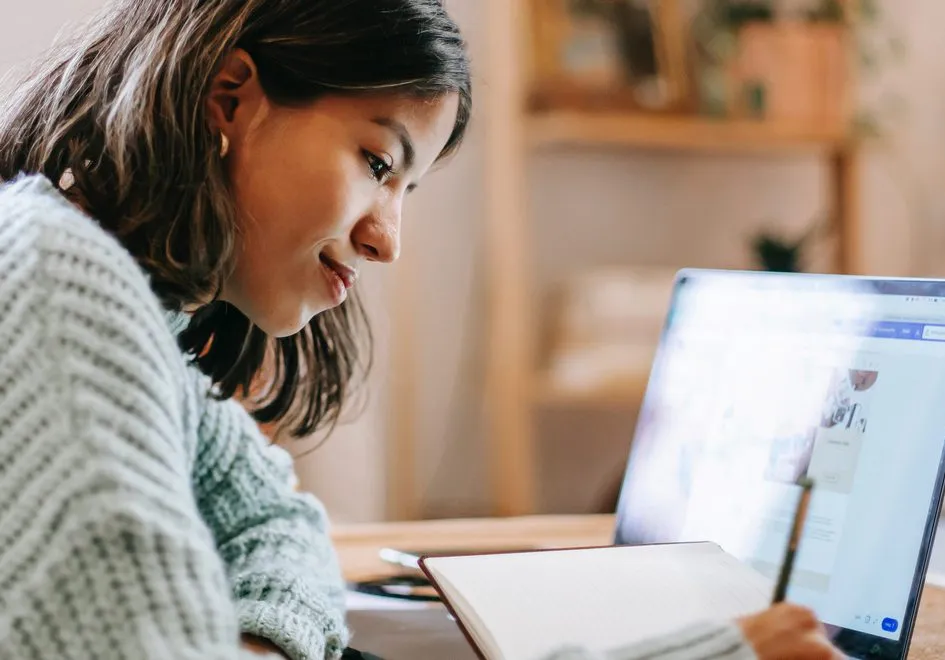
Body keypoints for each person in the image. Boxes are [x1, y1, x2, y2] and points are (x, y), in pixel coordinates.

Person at [0, 1, 843, 659]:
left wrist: (260, 645)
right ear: (231, 98)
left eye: (407, 189)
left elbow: (279, 527)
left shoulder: (127, 312)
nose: (387, 241)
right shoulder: (58, 282)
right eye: (377, 163)